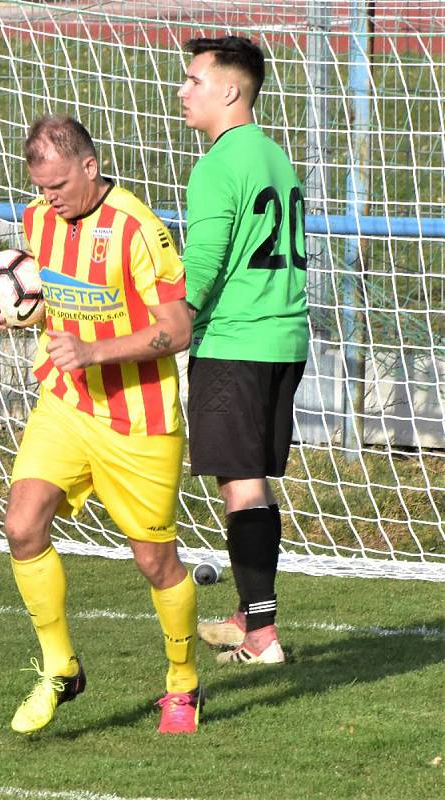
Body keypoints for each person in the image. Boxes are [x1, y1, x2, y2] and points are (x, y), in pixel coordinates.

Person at [0, 116, 203, 734]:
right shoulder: (37, 221)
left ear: (90, 167)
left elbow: (177, 330)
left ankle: (182, 683)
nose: (50, 198)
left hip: (139, 418)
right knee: (22, 525)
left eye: (60, 185)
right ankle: (60, 668)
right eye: (40, 187)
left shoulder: (138, 228)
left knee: (156, 563)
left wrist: (94, 352)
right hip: (65, 403)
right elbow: (36, 291)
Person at [177, 37, 309, 665]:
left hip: (235, 342)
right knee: (251, 485)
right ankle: (250, 614)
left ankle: (260, 634)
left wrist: (164, 322)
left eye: (194, 80)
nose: (183, 91)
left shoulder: (217, 165)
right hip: (285, 339)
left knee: (242, 488)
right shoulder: (276, 159)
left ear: (230, 90)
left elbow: (200, 268)